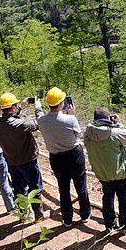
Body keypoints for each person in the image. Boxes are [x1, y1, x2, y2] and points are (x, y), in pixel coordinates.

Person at [37, 87, 91, 227]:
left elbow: (40, 116)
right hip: (74, 155)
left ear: (48, 104)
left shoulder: (41, 121)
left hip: (56, 158)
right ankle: (85, 215)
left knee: (63, 188)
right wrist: (72, 115)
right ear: (62, 103)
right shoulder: (70, 119)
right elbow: (79, 135)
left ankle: (67, 219)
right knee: (81, 185)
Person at [0, 92, 50, 223]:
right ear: (13, 107)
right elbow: (37, 124)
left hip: (12, 161)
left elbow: (12, 118)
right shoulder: (20, 124)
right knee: (35, 187)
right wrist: (38, 108)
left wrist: (19, 109)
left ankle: (24, 215)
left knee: (19, 189)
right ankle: (39, 214)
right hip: (28, 160)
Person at [83, 107, 126, 234]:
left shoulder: (88, 134)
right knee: (124, 198)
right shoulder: (114, 133)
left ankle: (109, 225)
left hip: (103, 173)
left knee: (107, 198)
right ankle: (125, 224)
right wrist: (119, 124)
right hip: (119, 173)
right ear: (107, 118)